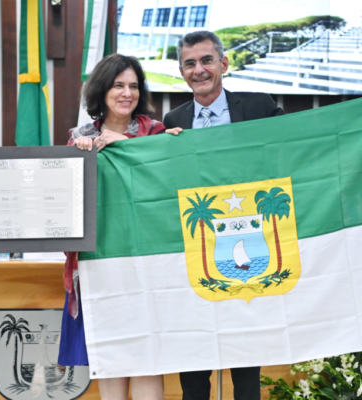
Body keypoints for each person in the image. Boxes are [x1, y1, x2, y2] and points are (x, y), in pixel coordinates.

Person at [163, 31, 284, 400]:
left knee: (246, 365)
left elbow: (293, 149)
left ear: (223, 64)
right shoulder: (173, 119)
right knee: (194, 367)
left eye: (206, 60)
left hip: (253, 248)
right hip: (197, 251)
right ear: (182, 71)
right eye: (190, 63)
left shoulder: (260, 106)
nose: (198, 70)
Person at [58, 53, 180, 400]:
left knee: (146, 357)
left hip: (147, 262)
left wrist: (126, 146)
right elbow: (67, 203)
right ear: (102, 90)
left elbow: (167, 188)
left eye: (133, 86)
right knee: (111, 356)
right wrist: (78, 158)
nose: (127, 93)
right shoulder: (79, 137)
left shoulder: (157, 133)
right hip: (101, 263)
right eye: (118, 85)